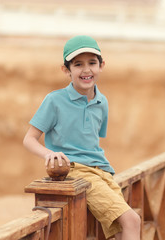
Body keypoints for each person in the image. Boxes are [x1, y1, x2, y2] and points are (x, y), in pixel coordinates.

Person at [23, 35, 141, 239]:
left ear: (101, 65)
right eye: (78, 64)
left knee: (119, 231)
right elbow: (29, 139)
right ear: (66, 70)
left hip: (104, 172)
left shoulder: (102, 102)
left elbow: (92, 142)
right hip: (76, 173)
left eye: (92, 63)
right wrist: (50, 154)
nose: (86, 70)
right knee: (132, 220)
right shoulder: (54, 100)